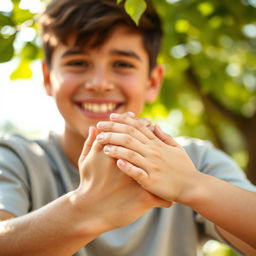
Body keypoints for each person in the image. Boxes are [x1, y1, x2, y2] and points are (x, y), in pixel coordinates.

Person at [0, 0, 255, 255]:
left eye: (122, 64)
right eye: (77, 63)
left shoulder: (196, 161)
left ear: (153, 81)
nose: (99, 83)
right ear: (47, 78)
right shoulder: (17, 158)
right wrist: (86, 207)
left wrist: (190, 184)